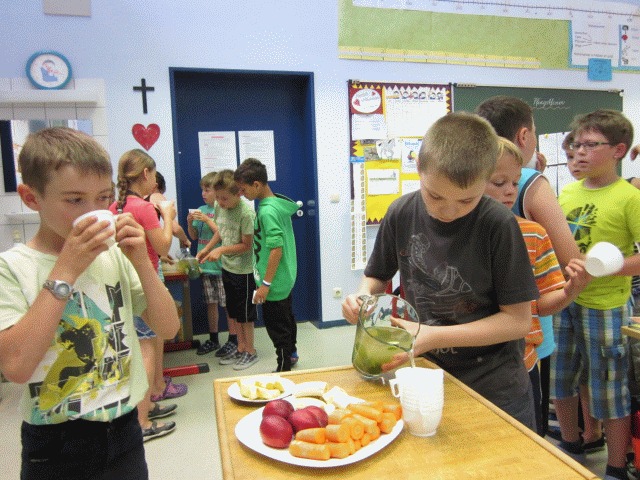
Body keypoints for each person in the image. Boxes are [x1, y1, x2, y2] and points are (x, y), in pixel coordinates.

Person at [0, 127, 179, 479]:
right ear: (31, 198)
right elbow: (17, 368)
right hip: (56, 443)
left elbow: (169, 328)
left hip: (124, 429)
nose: (95, 212)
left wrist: (140, 260)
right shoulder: (11, 267)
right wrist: (66, 267)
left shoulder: (113, 257)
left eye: (103, 198)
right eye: (74, 200)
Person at [342, 112, 539, 428]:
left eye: (466, 200)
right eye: (435, 195)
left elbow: (517, 321)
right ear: (419, 168)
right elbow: (378, 276)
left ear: (486, 178)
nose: (448, 210)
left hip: (493, 386)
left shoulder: (498, 225)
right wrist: (363, 295)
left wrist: (432, 336)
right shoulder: (401, 212)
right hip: (424, 372)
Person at [476, 95, 582, 437]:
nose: (508, 189)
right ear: (525, 136)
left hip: (519, 333)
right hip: (528, 334)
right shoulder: (532, 182)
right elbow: (571, 256)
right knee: (527, 418)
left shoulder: (506, 190)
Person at [552, 109, 640, 480]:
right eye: (576, 144)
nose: (580, 152)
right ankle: (571, 446)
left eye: (591, 144)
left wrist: (608, 267)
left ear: (619, 150)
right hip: (566, 300)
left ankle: (617, 467)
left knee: (609, 388)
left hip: (607, 306)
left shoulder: (628, 197)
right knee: (562, 378)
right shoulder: (567, 191)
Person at [110, 149, 186, 441]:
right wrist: (167, 215)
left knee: (142, 344)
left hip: (123, 281)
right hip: (144, 280)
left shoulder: (119, 205)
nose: (155, 180)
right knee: (146, 348)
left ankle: (148, 403)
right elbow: (164, 246)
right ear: (146, 174)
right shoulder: (141, 207)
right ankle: (141, 421)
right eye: (153, 174)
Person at [234, 158, 299, 372]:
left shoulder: (267, 211)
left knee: (276, 326)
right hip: (284, 278)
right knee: (287, 318)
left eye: (244, 190)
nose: (242, 194)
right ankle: (291, 353)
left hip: (274, 282)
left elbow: (276, 249)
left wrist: (265, 284)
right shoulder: (274, 204)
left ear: (257, 185)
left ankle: (283, 367)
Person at [199, 169, 258, 370]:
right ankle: (240, 348)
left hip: (245, 271)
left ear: (238, 194)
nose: (220, 203)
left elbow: (246, 245)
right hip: (228, 268)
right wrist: (207, 249)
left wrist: (222, 249)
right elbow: (221, 231)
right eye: (218, 198)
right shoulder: (219, 206)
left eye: (224, 199)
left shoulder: (246, 213)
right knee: (233, 312)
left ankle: (250, 351)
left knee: (245, 315)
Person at [186, 172, 231, 357]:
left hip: (221, 265)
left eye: (207, 190)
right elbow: (194, 236)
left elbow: (221, 233)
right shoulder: (200, 209)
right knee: (211, 303)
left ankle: (233, 339)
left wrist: (207, 220)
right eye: (202, 190)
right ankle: (213, 338)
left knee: (227, 304)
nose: (204, 193)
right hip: (205, 266)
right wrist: (190, 223)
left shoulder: (222, 209)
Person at [148, 171, 191, 250]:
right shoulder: (157, 196)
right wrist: (185, 240)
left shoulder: (133, 199)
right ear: (157, 186)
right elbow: (175, 229)